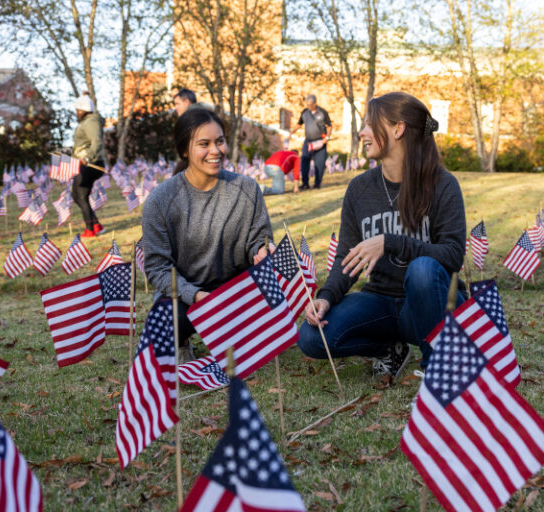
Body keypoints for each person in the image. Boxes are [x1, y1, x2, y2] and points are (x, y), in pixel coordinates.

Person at [297, 92, 467, 379]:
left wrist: (392, 242)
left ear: (398, 129)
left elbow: (452, 255)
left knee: (423, 270)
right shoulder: (360, 189)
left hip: (432, 304)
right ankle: (390, 349)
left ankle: (438, 375)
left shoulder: (442, 184)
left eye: (368, 124)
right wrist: (325, 297)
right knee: (312, 338)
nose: (362, 132)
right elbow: (347, 257)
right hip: (382, 303)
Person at [142, 108, 274, 360]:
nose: (216, 151)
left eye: (220, 141)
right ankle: (181, 341)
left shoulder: (247, 188)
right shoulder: (160, 200)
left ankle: (238, 335)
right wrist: (198, 296)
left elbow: (260, 237)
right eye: (204, 144)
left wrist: (262, 250)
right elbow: (157, 269)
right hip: (185, 297)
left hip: (235, 293)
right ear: (184, 150)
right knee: (165, 318)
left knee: (272, 293)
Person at [72, 93, 105, 238]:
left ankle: (90, 229)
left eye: (78, 110)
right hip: (86, 163)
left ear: (84, 110)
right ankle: (95, 225)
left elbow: (96, 142)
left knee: (79, 195)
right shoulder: (87, 121)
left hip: (91, 164)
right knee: (79, 195)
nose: (77, 113)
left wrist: (87, 157)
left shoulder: (91, 121)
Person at [290, 94, 332, 190]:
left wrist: (327, 138)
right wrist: (291, 132)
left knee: (319, 163)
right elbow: (299, 124)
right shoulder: (304, 112)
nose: (309, 106)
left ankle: (317, 184)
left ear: (315, 103)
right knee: (304, 161)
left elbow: (329, 126)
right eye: (307, 104)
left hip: (320, 142)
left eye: (310, 105)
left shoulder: (323, 112)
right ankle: (305, 183)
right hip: (308, 141)